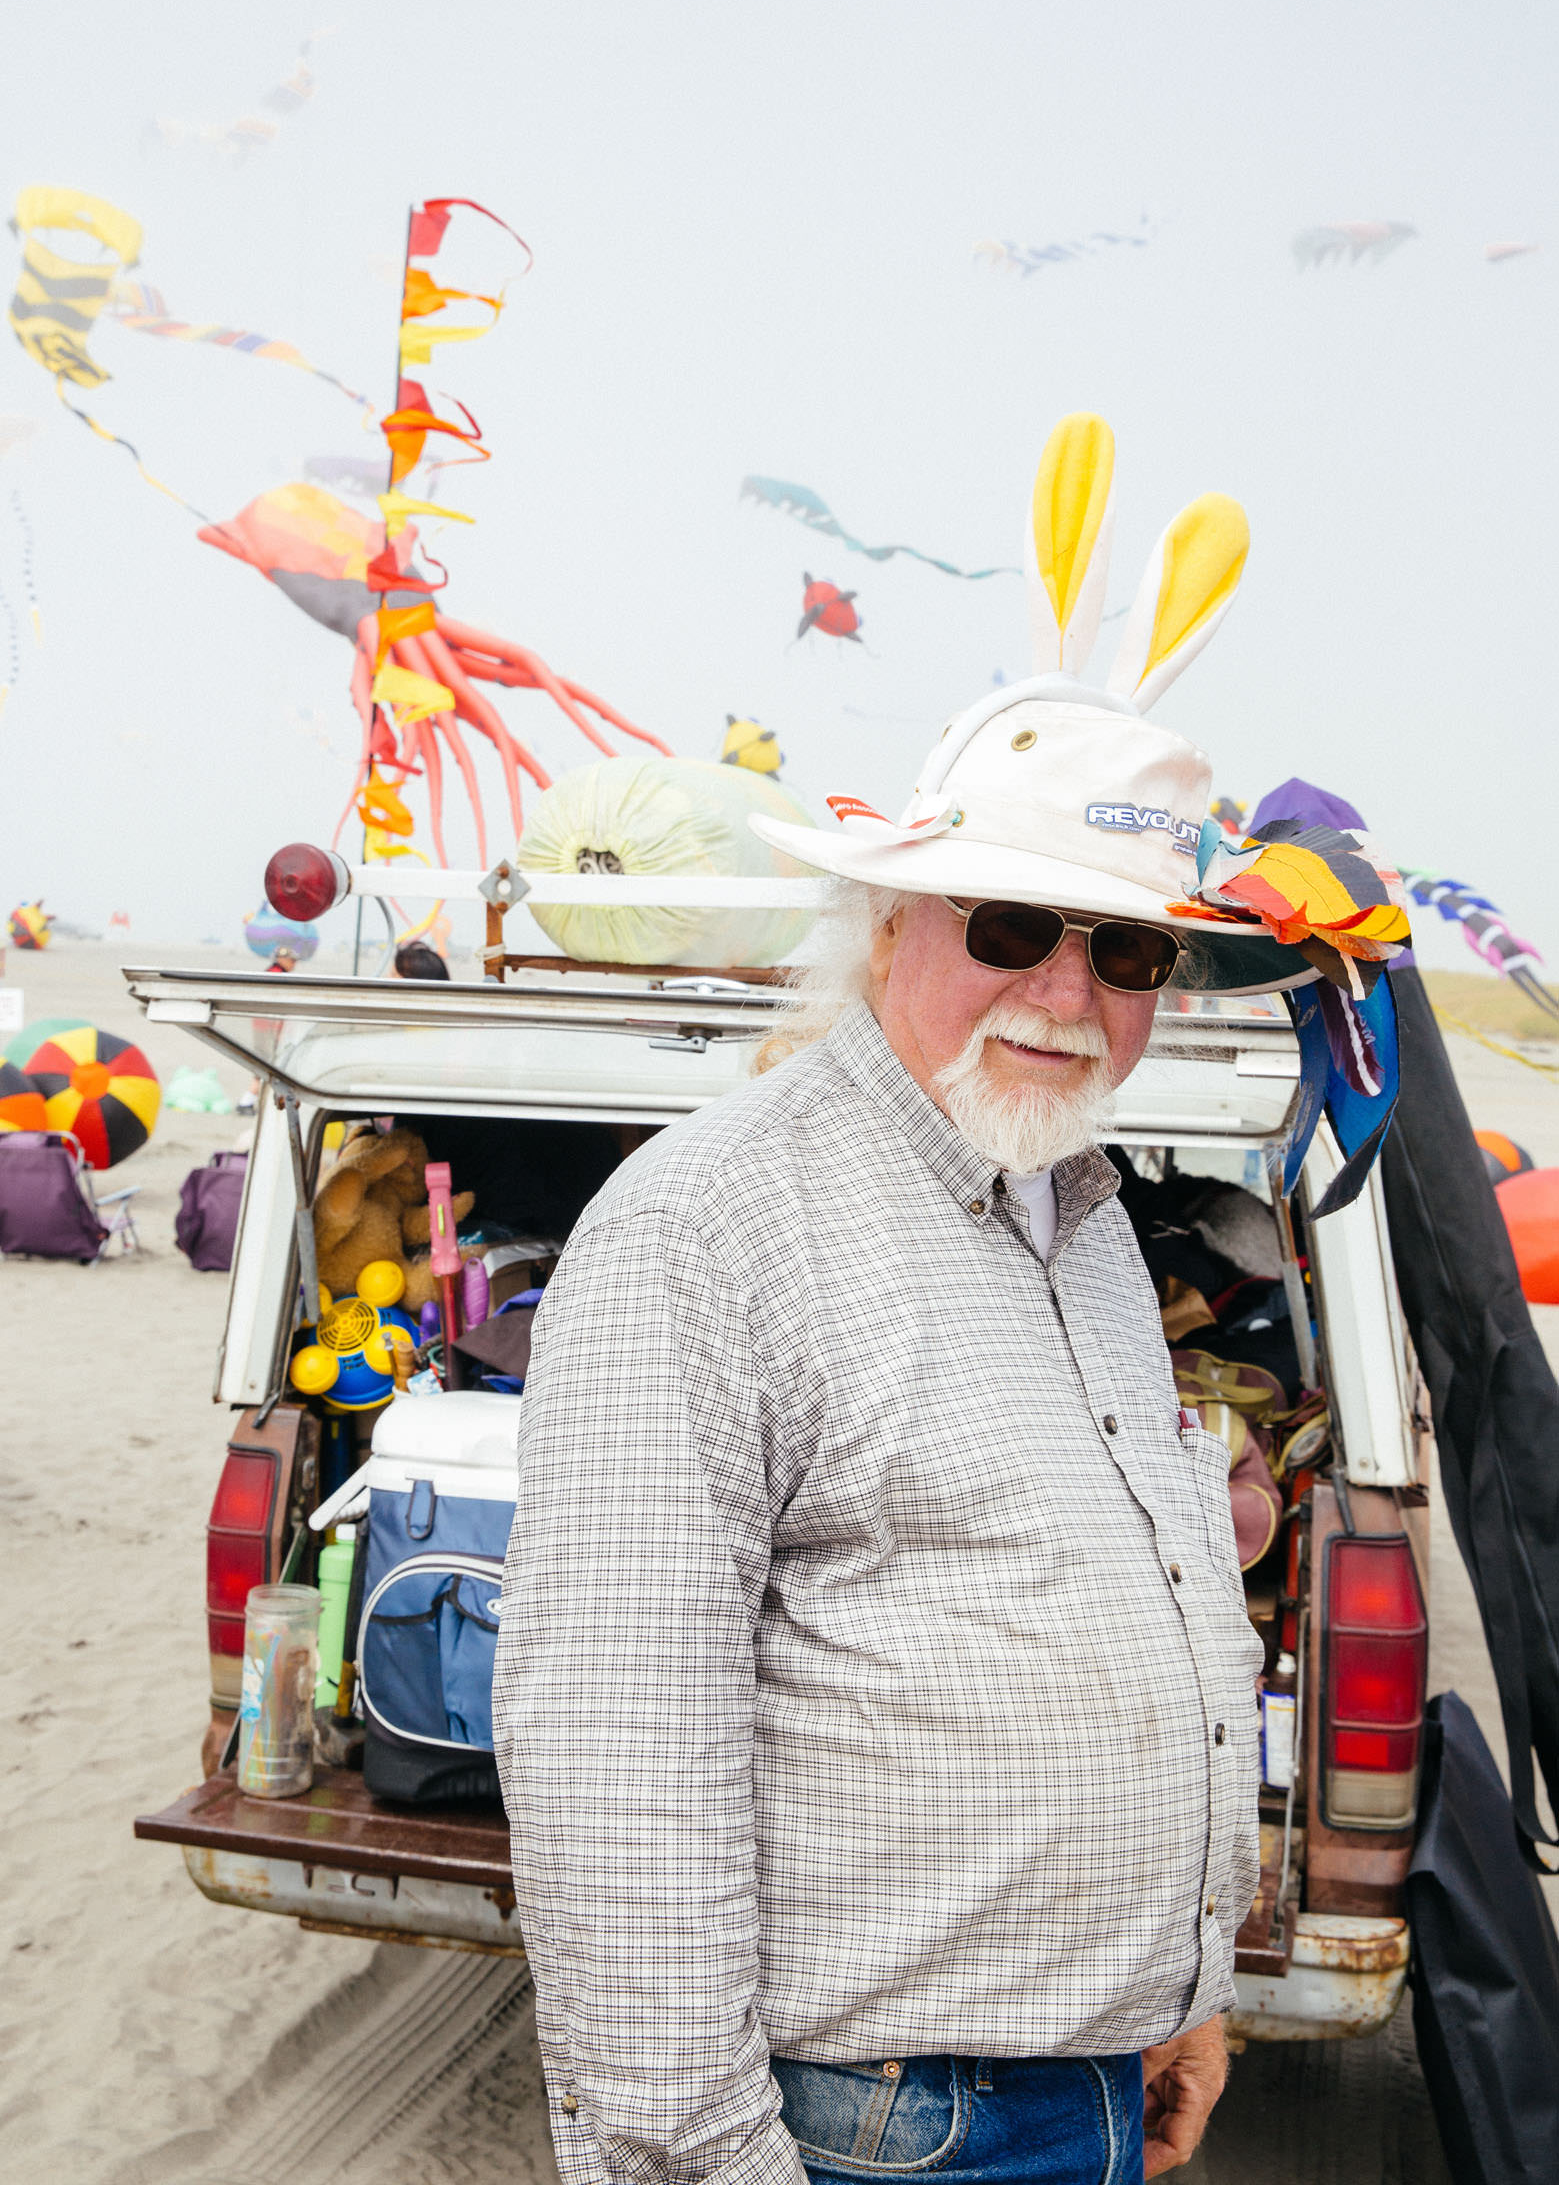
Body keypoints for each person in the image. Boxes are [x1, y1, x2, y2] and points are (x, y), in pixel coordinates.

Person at [494, 429, 1392, 2185]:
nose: (1070, 991)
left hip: (1092, 2083)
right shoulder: (707, 1226)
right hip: (882, 2128)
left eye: (1128, 950)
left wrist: (1171, 1995)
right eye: (1011, 923)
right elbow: (618, 1775)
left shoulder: (1084, 1222)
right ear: (895, 911)